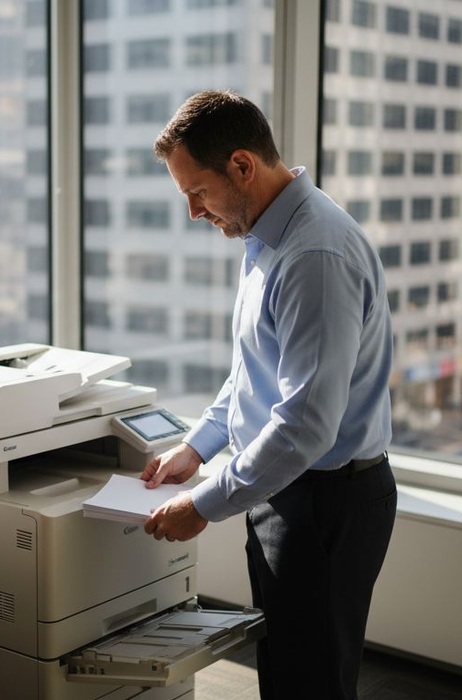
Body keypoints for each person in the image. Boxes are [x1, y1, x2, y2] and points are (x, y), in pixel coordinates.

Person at [141, 90, 397, 700]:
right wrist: (198, 448)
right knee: (287, 672)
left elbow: (305, 423)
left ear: (242, 166)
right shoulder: (265, 235)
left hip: (326, 502)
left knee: (311, 683)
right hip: (291, 490)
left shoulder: (313, 254)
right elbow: (255, 371)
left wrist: (205, 504)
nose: (195, 214)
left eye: (197, 193)